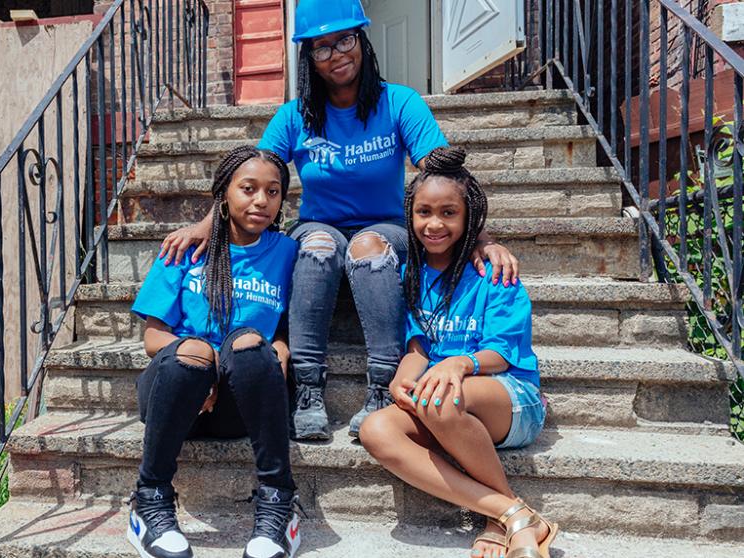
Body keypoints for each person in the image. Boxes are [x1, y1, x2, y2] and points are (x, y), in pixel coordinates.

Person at [158, 0, 520, 441]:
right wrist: (206, 223)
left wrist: (481, 238)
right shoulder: (295, 116)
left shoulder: (399, 103)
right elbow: (251, 175)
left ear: (362, 41)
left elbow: (445, 180)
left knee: (368, 246)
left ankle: (383, 387)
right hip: (319, 225)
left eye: (345, 40)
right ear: (308, 57)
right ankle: (308, 388)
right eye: (322, 47)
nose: (337, 54)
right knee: (316, 247)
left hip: (385, 227)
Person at [359, 147, 558, 558]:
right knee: (375, 429)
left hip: (508, 397)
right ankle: (511, 513)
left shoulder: (492, 269)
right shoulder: (410, 274)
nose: (434, 224)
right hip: (445, 403)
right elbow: (419, 345)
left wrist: (458, 363)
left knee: (441, 396)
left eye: (448, 213)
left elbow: (501, 353)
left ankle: (496, 521)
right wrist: (403, 375)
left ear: (468, 218)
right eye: (424, 212)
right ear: (410, 216)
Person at [127, 146, 304, 558]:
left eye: (273, 191)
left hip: (239, 402)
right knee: (192, 352)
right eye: (248, 188)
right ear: (223, 194)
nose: (261, 200)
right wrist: (206, 367)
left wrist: (277, 348)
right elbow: (154, 338)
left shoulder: (286, 253)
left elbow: (284, 329)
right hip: (177, 393)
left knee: (248, 342)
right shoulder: (183, 249)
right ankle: (150, 498)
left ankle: (278, 504)